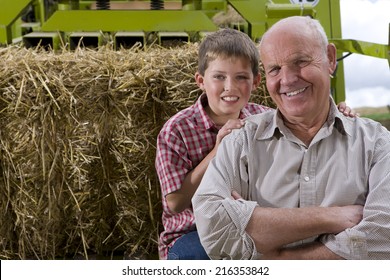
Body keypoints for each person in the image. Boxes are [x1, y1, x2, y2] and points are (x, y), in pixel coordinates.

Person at [192, 16, 390, 260]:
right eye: (275, 69)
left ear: (329, 58)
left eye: (300, 61)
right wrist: (332, 217)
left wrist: (276, 259)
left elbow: (384, 236)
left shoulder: (378, 144)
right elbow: (213, 226)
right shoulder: (240, 141)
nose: (287, 79)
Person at [156, 28, 356, 260]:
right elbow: (176, 203)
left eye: (241, 77)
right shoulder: (177, 130)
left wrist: (337, 112)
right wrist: (217, 152)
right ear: (201, 80)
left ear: (257, 81)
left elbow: (307, 127)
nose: (230, 86)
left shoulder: (266, 118)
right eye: (219, 77)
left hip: (257, 226)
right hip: (193, 232)